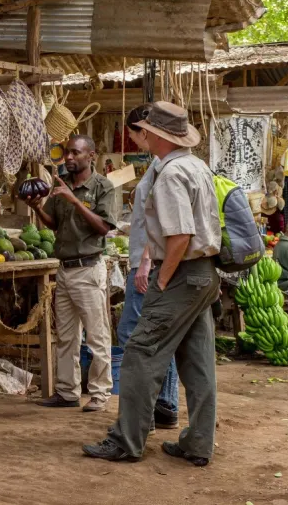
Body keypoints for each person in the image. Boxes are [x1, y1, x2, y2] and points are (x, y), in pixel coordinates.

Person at [82, 101, 221, 465]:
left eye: (141, 131)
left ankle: (127, 441)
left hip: (181, 272)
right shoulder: (196, 166)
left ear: (153, 134)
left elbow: (179, 236)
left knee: (139, 356)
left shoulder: (172, 174)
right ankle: (198, 443)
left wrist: (161, 277)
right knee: (198, 363)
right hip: (204, 274)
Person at [28, 135, 117, 413]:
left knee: (97, 336)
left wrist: (74, 200)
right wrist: (36, 207)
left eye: (75, 153)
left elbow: (104, 227)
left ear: (91, 155)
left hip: (89, 270)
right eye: (67, 153)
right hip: (64, 270)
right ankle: (67, 392)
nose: (68, 157)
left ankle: (100, 394)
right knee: (66, 336)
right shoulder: (61, 185)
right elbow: (54, 224)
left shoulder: (102, 187)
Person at [118, 104, 179, 431]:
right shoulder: (161, 165)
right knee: (152, 334)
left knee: (136, 334)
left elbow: (162, 221)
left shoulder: (163, 168)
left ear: (145, 131)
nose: (131, 139)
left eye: (133, 133)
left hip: (149, 264)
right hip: (150, 261)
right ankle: (164, 404)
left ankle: (161, 404)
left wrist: (145, 262)